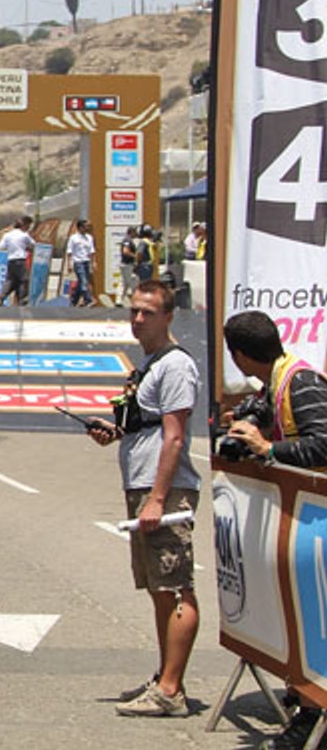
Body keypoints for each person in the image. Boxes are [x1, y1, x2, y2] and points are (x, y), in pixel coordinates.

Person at [85, 280, 200, 719]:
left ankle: (170, 690)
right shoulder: (150, 365)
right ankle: (166, 677)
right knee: (158, 588)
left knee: (174, 586)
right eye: (133, 311)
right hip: (143, 486)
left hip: (164, 492)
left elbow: (173, 438)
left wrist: (158, 498)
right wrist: (113, 432)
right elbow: (148, 427)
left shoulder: (175, 366)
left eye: (147, 313)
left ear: (168, 316)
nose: (137, 320)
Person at [218, 310, 327, 749]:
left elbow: (324, 440)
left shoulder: (301, 382)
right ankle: (306, 699)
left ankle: (314, 707)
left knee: (314, 620)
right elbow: (257, 421)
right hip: (302, 521)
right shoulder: (273, 385)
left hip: (315, 523)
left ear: (240, 354)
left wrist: (268, 447)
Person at [0, 216, 36, 306]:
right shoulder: (24, 235)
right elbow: (33, 245)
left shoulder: (7, 235)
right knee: (24, 280)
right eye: (28, 225)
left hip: (11, 260)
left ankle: (0, 297)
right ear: (24, 225)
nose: (29, 228)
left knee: (10, 280)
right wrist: (26, 247)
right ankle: (22, 299)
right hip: (21, 260)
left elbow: (1, 246)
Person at [66, 218, 97, 307]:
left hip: (86, 262)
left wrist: (94, 262)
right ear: (80, 227)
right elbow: (69, 252)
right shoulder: (73, 238)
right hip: (78, 262)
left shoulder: (89, 238)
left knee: (81, 282)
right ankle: (89, 300)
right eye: (85, 226)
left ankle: (73, 300)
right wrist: (69, 264)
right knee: (84, 281)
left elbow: (92, 251)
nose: (87, 228)